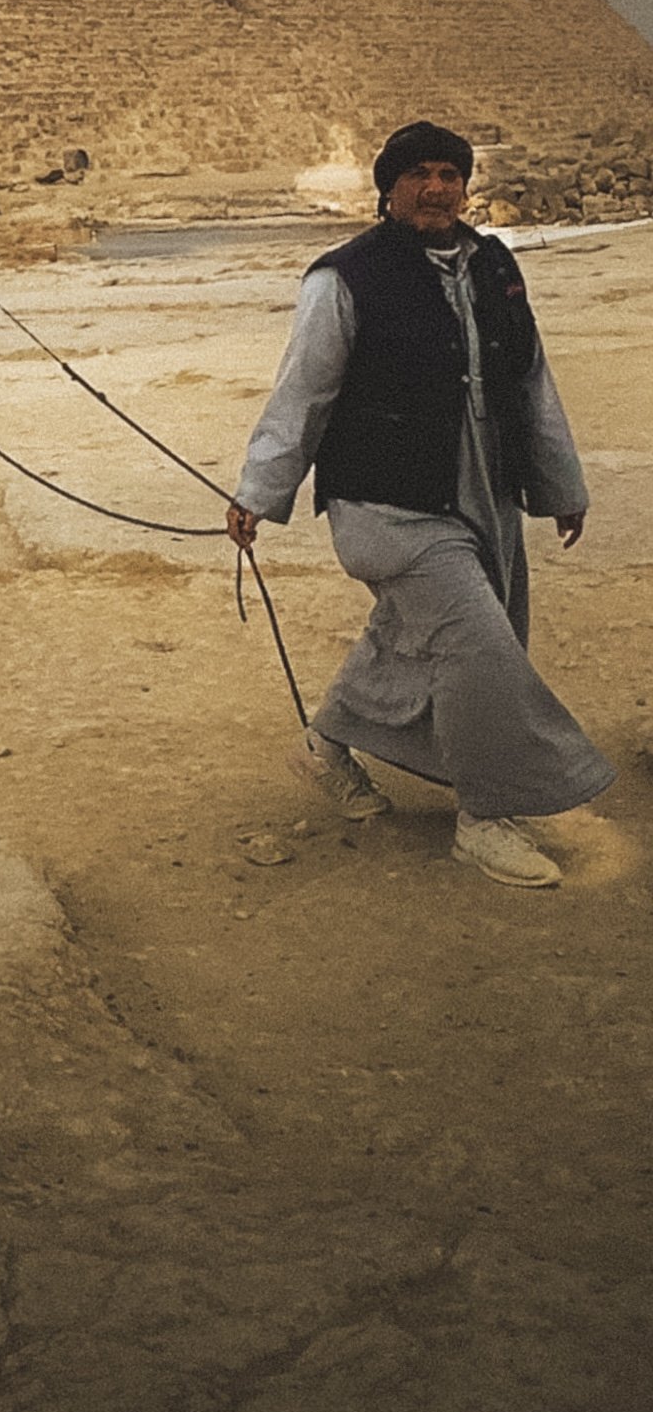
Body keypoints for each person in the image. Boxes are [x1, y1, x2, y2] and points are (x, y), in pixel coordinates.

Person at [228, 119, 613, 889]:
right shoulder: (345, 278)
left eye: (450, 173)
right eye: (419, 174)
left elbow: (530, 381)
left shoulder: (493, 265)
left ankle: (326, 744)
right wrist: (257, 494)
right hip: (388, 501)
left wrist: (560, 486)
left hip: (483, 489)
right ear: (388, 188)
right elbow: (302, 394)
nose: (437, 187)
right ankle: (486, 813)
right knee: (478, 645)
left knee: (425, 635)